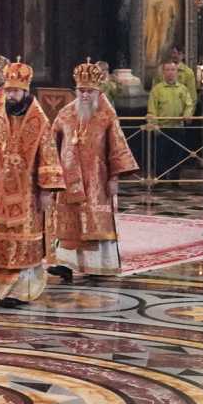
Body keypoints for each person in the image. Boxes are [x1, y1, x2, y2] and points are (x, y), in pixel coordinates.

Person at [0, 59, 64, 306]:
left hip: (29, 193)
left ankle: (22, 290)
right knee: (4, 238)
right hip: (1, 191)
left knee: (24, 239)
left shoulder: (39, 120)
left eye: (15, 91)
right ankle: (4, 288)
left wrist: (46, 191)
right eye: (8, 90)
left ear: (25, 91)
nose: (11, 95)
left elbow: (48, 154)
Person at [51, 61, 139, 276]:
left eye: (89, 91)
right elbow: (51, 145)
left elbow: (117, 147)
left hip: (97, 180)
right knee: (69, 222)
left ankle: (98, 265)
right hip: (68, 180)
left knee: (94, 221)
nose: (84, 95)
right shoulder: (65, 113)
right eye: (81, 91)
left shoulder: (106, 115)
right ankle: (66, 264)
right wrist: (52, 174)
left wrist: (114, 178)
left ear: (98, 92)